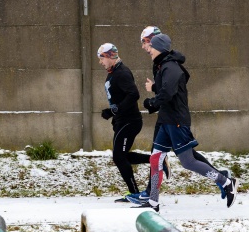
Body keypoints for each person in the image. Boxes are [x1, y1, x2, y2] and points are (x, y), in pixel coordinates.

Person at [126, 26, 229, 205]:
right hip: (167, 117)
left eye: (145, 42)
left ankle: (224, 181)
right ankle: (152, 200)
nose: (144, 47)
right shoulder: (162, 63)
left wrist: (153, 100)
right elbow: (168, 88)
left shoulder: (170, 65)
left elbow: (171, 90)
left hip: (175, 120)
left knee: (187, 160)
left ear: (154, 42)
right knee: (156, 157)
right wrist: (156, 91)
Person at [97, 43, 150, 202]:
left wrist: (114, 111)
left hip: (130, 121)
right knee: (121, 156)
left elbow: (134, 94)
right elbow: (120, 97)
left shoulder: (122, 72)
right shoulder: (114, 72)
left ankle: (135, 193)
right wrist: (111, 111)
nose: (100, 62)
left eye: (101, 58)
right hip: (122, 121)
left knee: (119, 157)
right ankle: (155, 159)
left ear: (109, 56)